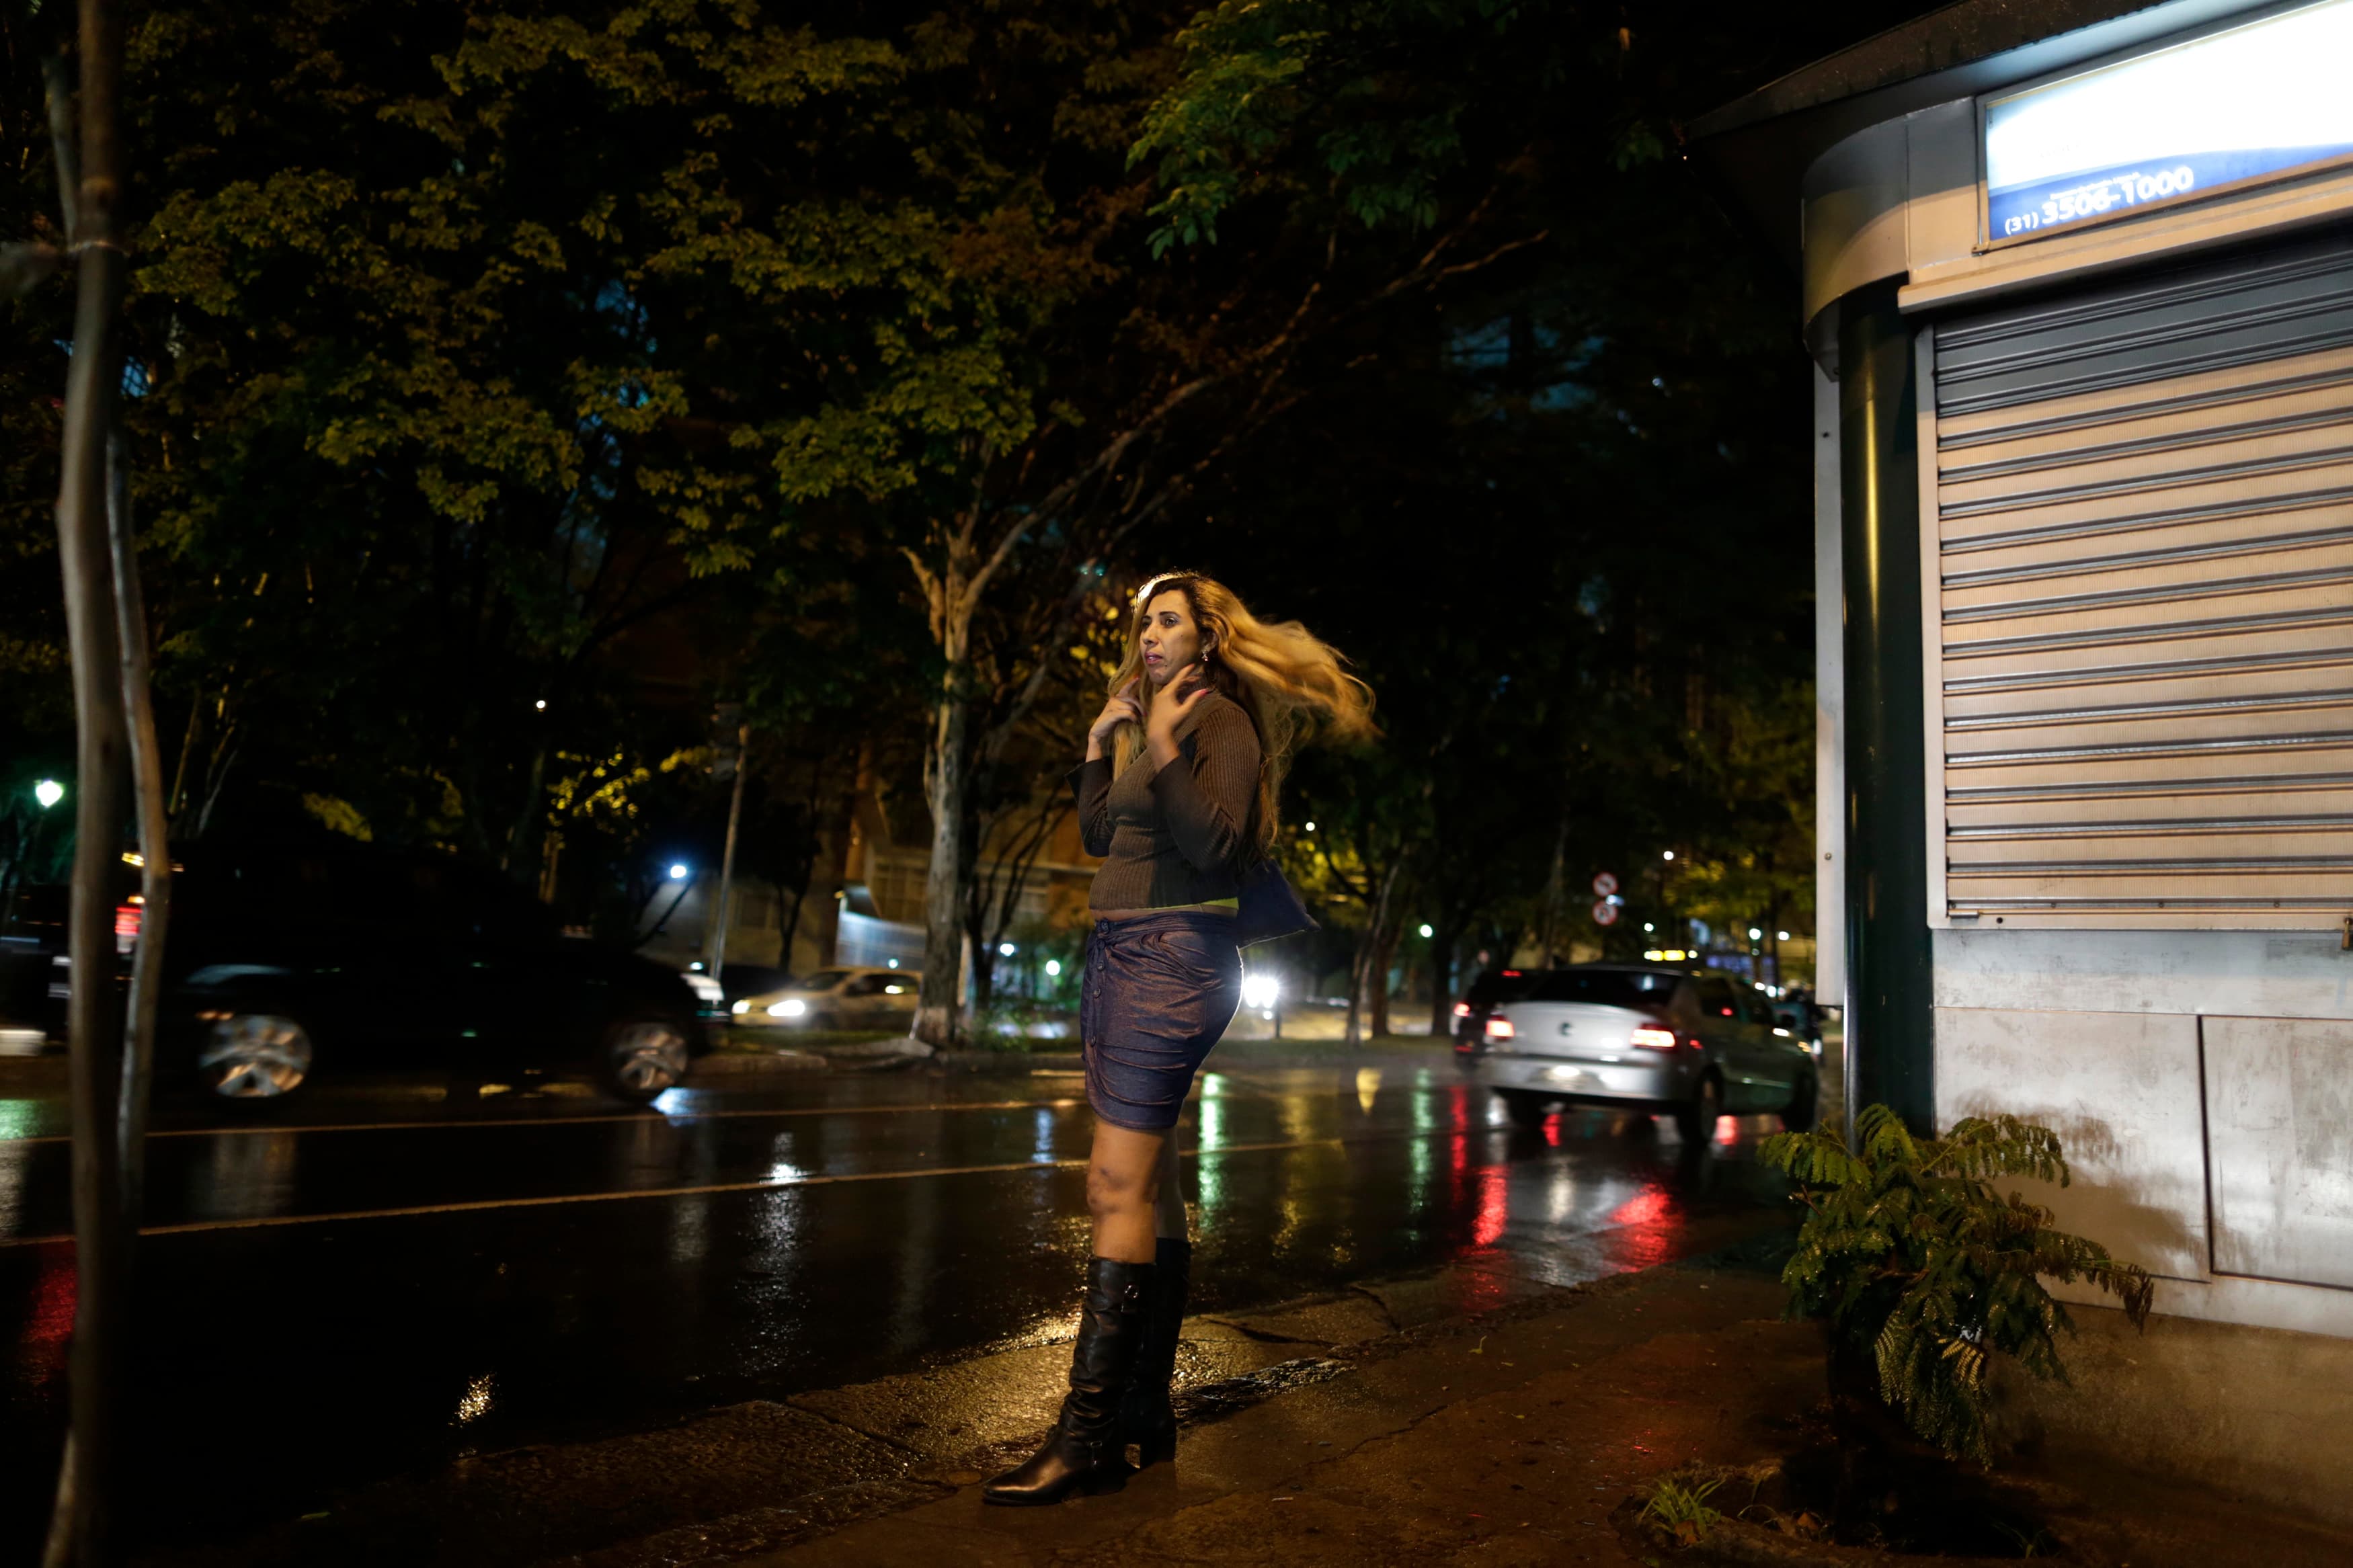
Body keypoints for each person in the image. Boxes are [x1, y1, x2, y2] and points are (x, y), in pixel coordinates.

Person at [984, 571, 1373, 1506]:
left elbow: (1213, 846)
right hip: (1122, 950)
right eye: (1141, 622)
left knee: (1111, 1182)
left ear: (1207, 636)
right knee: (1145, 1184)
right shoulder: (1152, 727)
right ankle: (1142, 1414)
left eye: (1167, 621)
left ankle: (1084, 1440)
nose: (1149, 635)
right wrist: (1103, 741)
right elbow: (1099, 835)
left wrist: (1160, 741)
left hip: (1173, 957)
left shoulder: (1220, 723)